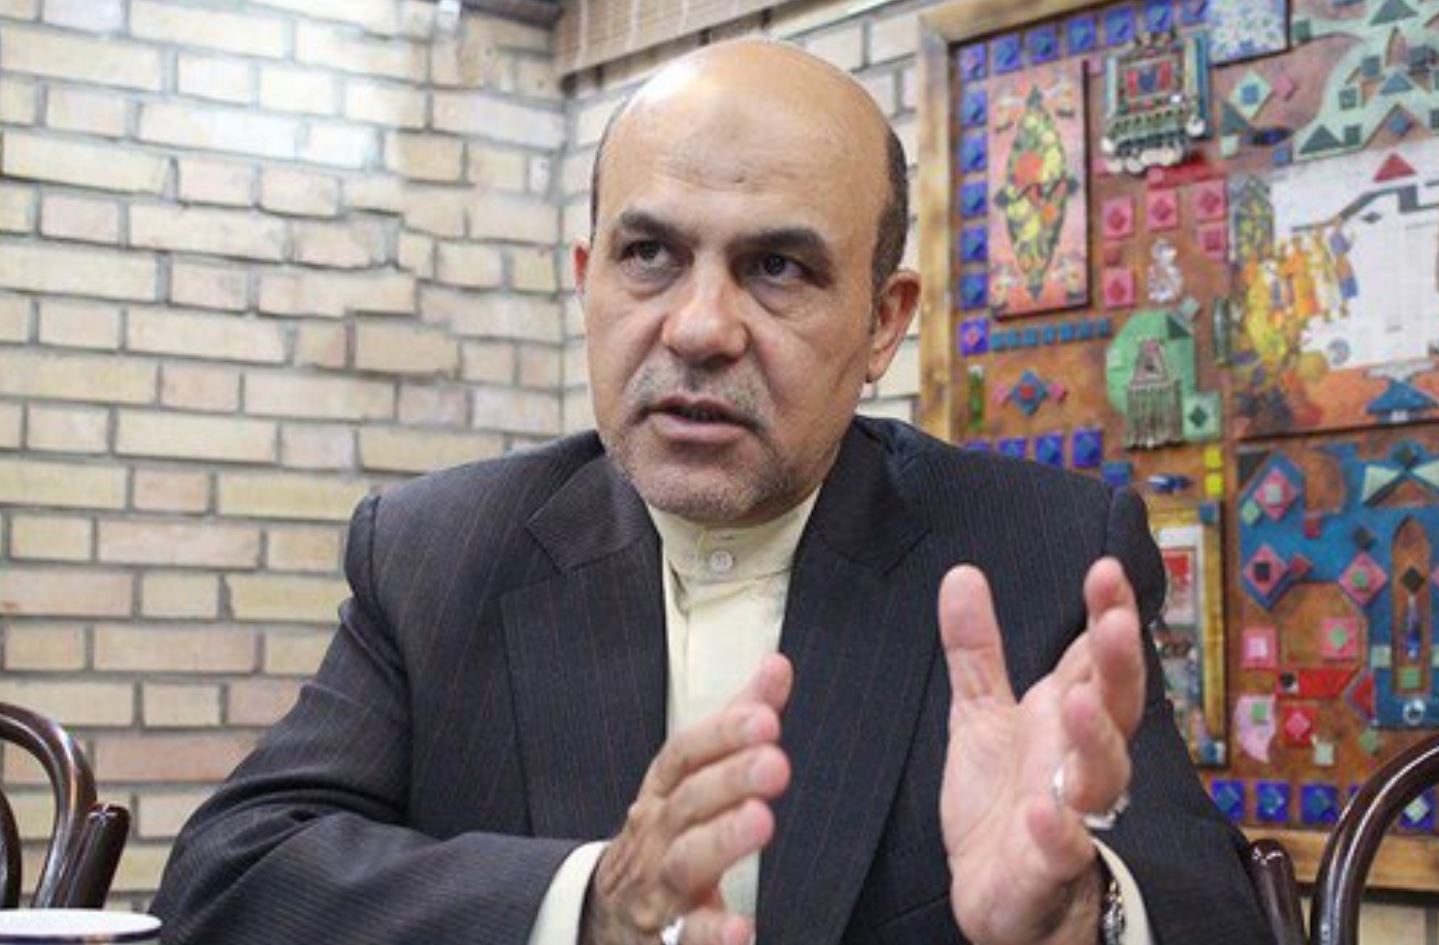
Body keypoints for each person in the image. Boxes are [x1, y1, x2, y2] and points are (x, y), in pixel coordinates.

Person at [153, 39, 1269, 945]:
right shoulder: (436, 552)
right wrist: (586, 908)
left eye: (777, 268)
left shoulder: (1040, 553)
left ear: (883, 322)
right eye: (649, 254)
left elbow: (1214, 916)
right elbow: (229, 880)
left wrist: (1073, 916)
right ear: (586, 280)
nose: (697, 327)